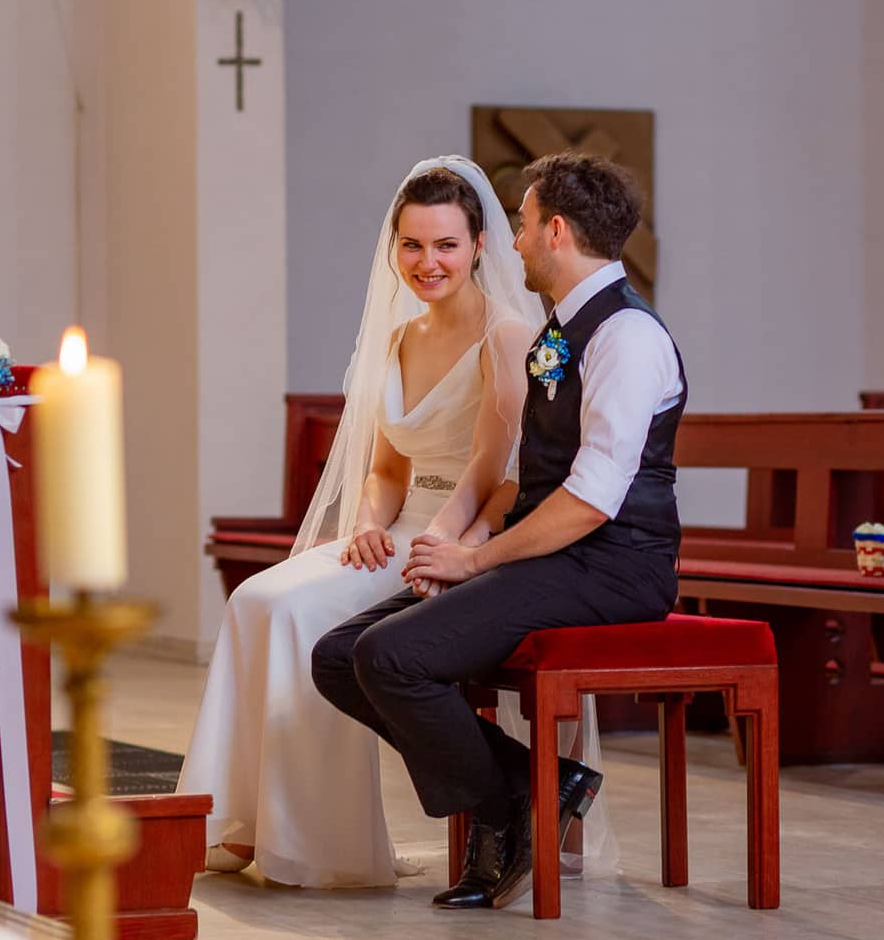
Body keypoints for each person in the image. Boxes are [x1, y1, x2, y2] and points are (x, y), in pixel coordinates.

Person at [176, 157, 616, 888]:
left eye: (445, 244)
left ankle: (317, 842)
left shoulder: (508, 336)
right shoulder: (397, 338)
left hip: (465, 531)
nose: (428, 262)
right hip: (398, 529)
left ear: (479, 245)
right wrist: (368, 525)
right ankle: (250, 821)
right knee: (254, 599)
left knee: (297, 616)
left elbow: (494, 469)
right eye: (412, 245)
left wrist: (441, 541)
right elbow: (385, 469)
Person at [311, 151, 684, 912]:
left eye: (518, 224)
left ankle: (502, 812)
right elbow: (524, 469)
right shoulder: (563, 329)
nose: (511, 242)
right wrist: (463, 545)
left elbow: (590, 500)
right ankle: (534, 788)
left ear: (553, 231)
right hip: (554, 557)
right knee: (339, 657)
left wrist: (474, 558)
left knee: (391, 655)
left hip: (613, 567)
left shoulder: (627, 338)